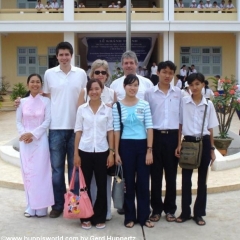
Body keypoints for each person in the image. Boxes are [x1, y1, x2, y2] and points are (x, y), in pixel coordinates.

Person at [43, 42, 88, 218]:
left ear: (71, 55)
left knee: (75, 170)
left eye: (66, 54)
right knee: (56, 170)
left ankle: (74, 205)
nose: (63, 58)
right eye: (60, 55)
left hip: (76, 128)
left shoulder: (81, 74)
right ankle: (57, 205)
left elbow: (86, 97)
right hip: (55, 128)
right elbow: (45, 96)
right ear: (56, 56)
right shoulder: (49, 74)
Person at [175, 72, 218, 226]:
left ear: (203, 85)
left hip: (204, 143)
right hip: (187, 144)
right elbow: (179, 126)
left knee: (202, 181)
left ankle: (199, 213)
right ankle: (185, 212)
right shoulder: (184, 103)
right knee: (186, 180)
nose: (194, 87)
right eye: (191, 84)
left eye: (197, 84)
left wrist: (212, 149)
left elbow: (211, 129)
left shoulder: (209, 104)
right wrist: (178, 144)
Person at [77, 59, 117, 221]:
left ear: (107, 76)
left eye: (103, 72)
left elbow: (112, 125)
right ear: (91, 74)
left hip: (103, 147)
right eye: (97, 72)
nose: (100, 75)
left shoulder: (112, 93)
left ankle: (104, 212)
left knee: (103, 182)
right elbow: (79, 121)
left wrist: (112, 151)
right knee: (87, 183)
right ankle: (87, 212)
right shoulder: (84, 92)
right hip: (86, 146)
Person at [113, 74, 154, 228]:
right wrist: (116, 152)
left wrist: (149, 150)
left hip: (142, 146)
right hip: (125, 147)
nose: (133, 88)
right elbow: (116, 130)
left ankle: (144, 217)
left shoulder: (144, 104)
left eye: (136, 85)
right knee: (128, 184)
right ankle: (129, 217)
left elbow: (149, 127)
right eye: (130, 85)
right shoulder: (118, 106)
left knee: (143, 183)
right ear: (124, 87)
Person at [144, 61, 181, 223]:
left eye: (171, 73)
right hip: (155, 137)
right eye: (164, 72)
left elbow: (180, 121)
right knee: (156, 175)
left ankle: (170, 210)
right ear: (157, 72)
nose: (167, 76)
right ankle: (156, 209)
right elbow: (146, 119)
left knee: (171, 176)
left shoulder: (179, 93)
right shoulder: (149, 93)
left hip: (172, 138)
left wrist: (179, 143)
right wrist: (149, 146)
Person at [16, 73, 54, 218]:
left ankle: (42, 206)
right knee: (28, 173)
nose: (35, 84)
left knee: (41, 174)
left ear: (41, 85)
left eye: (38, 82)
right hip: (25, 142)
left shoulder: (46, 101)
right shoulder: (22, 102)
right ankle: (31, 206)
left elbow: (47, 121)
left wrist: (33, 134)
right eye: (32, 82)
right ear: (28, 84)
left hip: (40, 141)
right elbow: (18, 121)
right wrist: (24, 134)